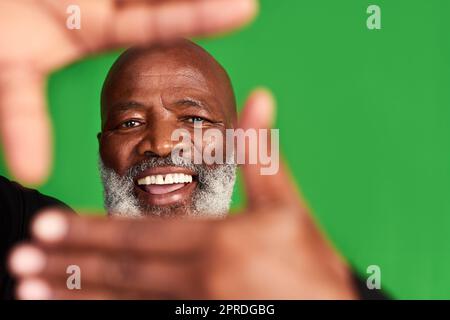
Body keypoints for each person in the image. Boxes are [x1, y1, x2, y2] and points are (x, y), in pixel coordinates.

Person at [7, 41, 373, 299]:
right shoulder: (41, 250)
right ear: (103, 148)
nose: (163, 144)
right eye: (130, 123)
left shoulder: (294, 283)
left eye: (195, 119)